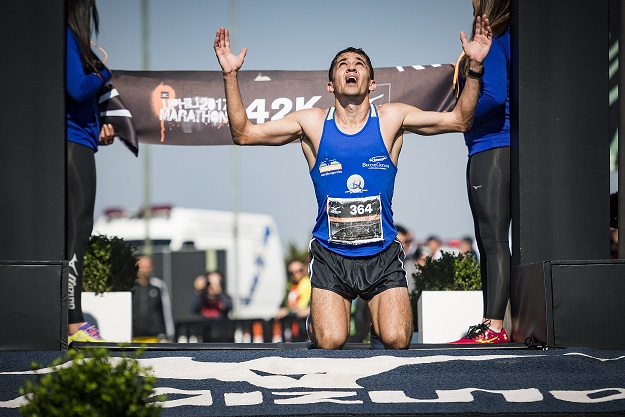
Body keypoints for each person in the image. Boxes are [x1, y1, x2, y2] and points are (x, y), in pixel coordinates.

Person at [213, 16, 492, 349]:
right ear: (330, 85)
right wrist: (230, 75)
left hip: (382, 254)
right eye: (342, 64)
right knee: (331, 340)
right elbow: (243, 134)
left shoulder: (391, 118)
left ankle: (379, 317)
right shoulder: (312, 123)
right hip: (331, 255)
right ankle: (318, 322)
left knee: (397, 339)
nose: (351, 67)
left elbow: (460, 120)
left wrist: (475, 67)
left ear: (371, 83)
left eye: (359, 64)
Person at [450, 0, 511, 344]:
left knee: (493, 240)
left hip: (494, 146)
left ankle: (495, 328)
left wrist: (460, 113)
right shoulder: (499, 37)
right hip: (488, 147)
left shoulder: (497, 38)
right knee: (489, 241)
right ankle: (491, 323)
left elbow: (495, 96)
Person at [66, 0, 116, 343]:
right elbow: (77, 87)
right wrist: (104, 73)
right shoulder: (67, 35)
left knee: (74, 230)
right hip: (72, 143)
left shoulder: (68, 38)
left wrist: (98, 128)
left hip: (80, 140)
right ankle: (74, 323)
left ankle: (70, 320)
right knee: (77, 231)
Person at [131, 256, 176, 343]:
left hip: (155, 337)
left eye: (148, 267)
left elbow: (166, 310)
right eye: (142, 267)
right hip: (133, 337)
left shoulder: (159, 285)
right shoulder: (131, 287)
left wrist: (169, 334)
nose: (145, 270)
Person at [273, 259, 312, 342]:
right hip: (291, 330)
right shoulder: (290, 287)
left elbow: (303, 309)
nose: (295, 275)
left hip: (304, 331)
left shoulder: (309, 285)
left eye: (299, 271)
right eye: (291, 273)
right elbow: (283, 306)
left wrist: (288, 311)